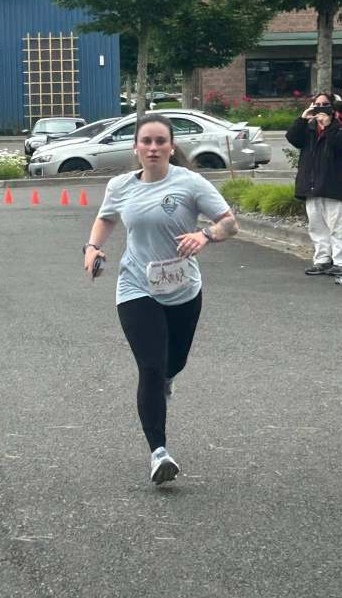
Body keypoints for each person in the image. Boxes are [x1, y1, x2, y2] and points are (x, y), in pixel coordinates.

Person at [82, 114, 238, 485]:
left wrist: (205, 236)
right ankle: (159, 453)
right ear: (136, 147)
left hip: (184, 289)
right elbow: (106, 218)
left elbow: (229, 222)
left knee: (173, 363)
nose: (153, 148)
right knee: (150, 367)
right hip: (136, 286)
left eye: (160, 141)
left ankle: (167, 378)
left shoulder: (190, 183)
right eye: (146, 141)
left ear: (171, 147)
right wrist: (92, 247)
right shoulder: (120, 185)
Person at [285, 92, 342, 280]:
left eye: (324, 104)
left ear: (332, 108)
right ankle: (322, 260)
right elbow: (292, 138)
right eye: (316, 104)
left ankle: (341, 263)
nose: (320, 108)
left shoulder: (341, 129)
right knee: (317, 227)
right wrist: (302, 118)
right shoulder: (308, 129)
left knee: (336, 226)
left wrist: (328, 127)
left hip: (333, 185)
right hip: (311, 185)